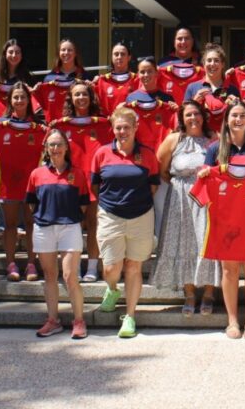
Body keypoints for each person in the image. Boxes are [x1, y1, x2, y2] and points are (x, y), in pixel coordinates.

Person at [198, 101, 245, 339]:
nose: (238, 119)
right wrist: (202, 173)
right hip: (225, 218)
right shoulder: (214, 149)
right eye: (234, 116)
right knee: (229, 269)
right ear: (226, 120)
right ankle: (232, 322)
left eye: (243, 115)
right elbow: (204, 178)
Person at [91, 105, 160, 338]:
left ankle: (130, 316)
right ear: (112, 129)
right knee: (111, 268)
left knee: (133, 266)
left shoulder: (147, 154)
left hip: (140, 216)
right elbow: (96, 184)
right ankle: (112, 289)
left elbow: (153, 185)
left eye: (126, 128)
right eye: (118, 128)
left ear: (135, 128)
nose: (122, 132)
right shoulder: (101, 153)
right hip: (110, 215)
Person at [151, 102, 219, 317]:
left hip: (207, 198)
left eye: (197, 113)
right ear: (182, 117)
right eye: (188, 114)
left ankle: (209, 292)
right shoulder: (174, 140)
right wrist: (182, 184)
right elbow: (162, 170)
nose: (193, 118)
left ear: (203, 116)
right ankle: (189, 293)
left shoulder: (213, 139)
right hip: (180, 198)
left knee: (206, 242)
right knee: (183, 243)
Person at [26, 129, 89, 339]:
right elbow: (31, 202)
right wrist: (45, 216)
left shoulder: (77, 173)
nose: (55, 149)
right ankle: (53, 320)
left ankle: (79, 320)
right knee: (50, 275)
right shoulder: (36, 174)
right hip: (44, 228)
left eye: (59, 144)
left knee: (70, 276)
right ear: (46, 149)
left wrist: (68, 217)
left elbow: (83, 204)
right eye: (51, 145)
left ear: (66, 147)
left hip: (69, 227)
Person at [51, 81, 112, 283]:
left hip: (95, 183)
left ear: (90, 97)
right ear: (71, 99)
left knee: (94, 225)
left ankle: (93, 267)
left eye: (84, 94)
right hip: (70, 183)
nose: (81, 98)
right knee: (71, 226)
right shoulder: (60, 126)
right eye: (76, 95)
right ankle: (73, 267)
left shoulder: (103, 124)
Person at [0, 82, 46, 282]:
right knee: (9, 225)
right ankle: (10, 263)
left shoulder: (40, 129)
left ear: (29, 100)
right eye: (16, 97)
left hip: (32, 185)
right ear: (10, 101)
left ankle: (31, 262)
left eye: (23, 97)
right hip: (8, 184)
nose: (19, 101)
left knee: (31, 224)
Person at [124, 57, 178, 152]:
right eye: (142, 72)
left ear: (156, 73)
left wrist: (178, 111)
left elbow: (175, 128)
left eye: (150, 71)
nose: (146, 75)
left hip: (162, 151)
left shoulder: (167, 98)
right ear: (138, 74)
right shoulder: (131, 98)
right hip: (138, 151)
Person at [186, 43, 241, 134]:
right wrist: (194, 102)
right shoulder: (192, 87)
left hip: (226, 139)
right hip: (199, 140)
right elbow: (182, 118)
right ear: (203, 64)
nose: (212, 64)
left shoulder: (232, 89)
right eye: (209, 60)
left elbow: (240, 118)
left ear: (222, 64)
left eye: (216, 60)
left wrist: (235, 106)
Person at [0, 39, 36, 122]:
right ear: (5, 54)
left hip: (21, 123)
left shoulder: (28, 79)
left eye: (17, 52)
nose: (14, 55)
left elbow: (33, 104)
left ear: (22, 55)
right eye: (11, 52)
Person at [35, 39, 86, 124]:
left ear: (75, 53)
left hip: (78, 125)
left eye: (70, 50)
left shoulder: (84, 76)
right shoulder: (49, 78)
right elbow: (43, 106)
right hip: (55, 126)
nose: (66, 53)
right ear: (58, 53)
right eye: (63, 50)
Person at [94, 42, 138, 116]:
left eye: (123, 54)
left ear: (129, 57)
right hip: (109, 126)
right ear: (112, 57)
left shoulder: (137, 79)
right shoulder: (102, 81)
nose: (119, 57)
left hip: (131, 125)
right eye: (116, 54)